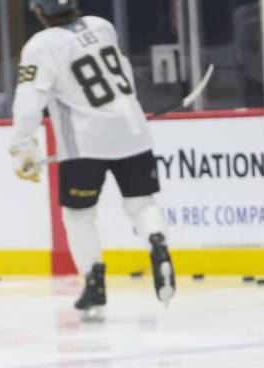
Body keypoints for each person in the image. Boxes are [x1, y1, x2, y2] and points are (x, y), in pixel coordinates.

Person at [9, 0, 175, 322]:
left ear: (40, 12)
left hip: (84, 144)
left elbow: (28, 104)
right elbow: (124, 75)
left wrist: (22, 146)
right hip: (133, 130)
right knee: (142, 203)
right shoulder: (102, 26)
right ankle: (158, 243)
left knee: (78, 214)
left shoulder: (41, 46)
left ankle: (94, 282)